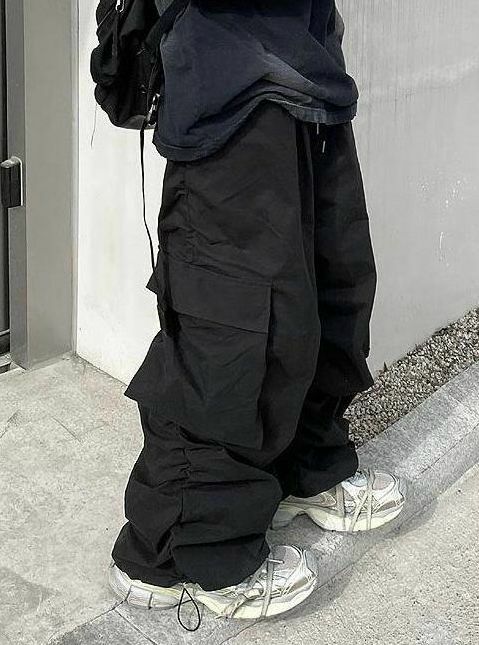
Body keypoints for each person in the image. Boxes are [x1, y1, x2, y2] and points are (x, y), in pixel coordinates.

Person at [107, 0, 405, 627]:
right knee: (236, 326)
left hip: (310, 74)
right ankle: (185, 551)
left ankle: (303, 465)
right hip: (228, 93)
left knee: (334, 289)